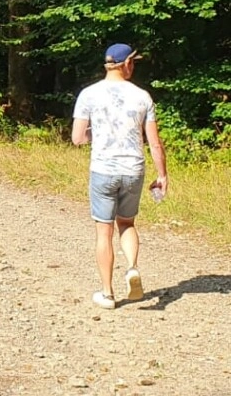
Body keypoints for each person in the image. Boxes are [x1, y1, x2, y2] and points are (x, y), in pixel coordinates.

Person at [71, 43, 169, 310]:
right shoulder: (143, 97)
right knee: (127, 223)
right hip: (133, 170)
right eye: (133, 62)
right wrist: (162, 175)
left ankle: (107, 293)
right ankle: (133, 267)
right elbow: (155, 143)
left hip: (103, 170)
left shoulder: (88, 95)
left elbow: (78, 138)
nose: (133, 66)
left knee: (104, 232)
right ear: (126, 64)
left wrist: (98, 134)